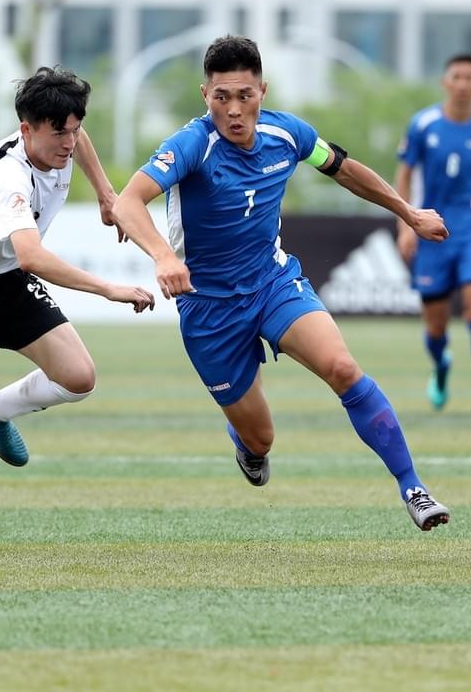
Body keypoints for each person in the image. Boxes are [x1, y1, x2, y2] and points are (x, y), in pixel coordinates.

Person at [112, 35, 453, 531]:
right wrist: (163, 256)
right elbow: (127, 202)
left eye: (244, 96)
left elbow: (343, 169)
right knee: (261, 438)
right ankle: (246, 444)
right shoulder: (191, 144)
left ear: (263, 92)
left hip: (274, 285)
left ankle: (413, 488)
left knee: (341, 366)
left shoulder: (287, 134)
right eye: (221, 97)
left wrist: (408, 212)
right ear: (205, 95)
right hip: (208, 309)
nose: (233, 110)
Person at [0, 66, 155, 551]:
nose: (69, 141)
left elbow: (79, 144)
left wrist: (106, 194)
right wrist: (109, 289)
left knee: (79, 377)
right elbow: (32, 257)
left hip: (2, 281)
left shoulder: (63, 140)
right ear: (27, 130)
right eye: (57, 131)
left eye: (75, 127)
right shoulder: (9, 178)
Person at [394, 54, 471, 416]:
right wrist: (405, 225)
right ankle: (441, 364)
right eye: (456, 77)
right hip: (429, 227)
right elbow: (403, 175)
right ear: (445, 82)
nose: (463, 84)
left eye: (469, 78)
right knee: (435, 323)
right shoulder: (424, 125)